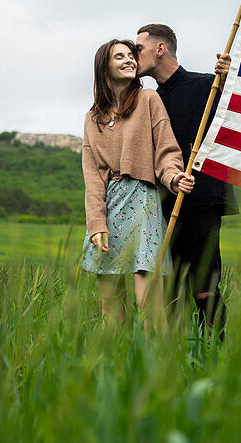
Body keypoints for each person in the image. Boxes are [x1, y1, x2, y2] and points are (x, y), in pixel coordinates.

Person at [81, 38, 195, 328]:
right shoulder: (92, 118)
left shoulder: (148, 100)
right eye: (120, 57)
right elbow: (92, 177)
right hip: (107, 206)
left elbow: (167, 150)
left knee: (148, 303)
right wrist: (96, 223)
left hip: (142, 202)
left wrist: (173, 176)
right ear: (104, 66)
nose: (129, 60)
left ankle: (154, 369)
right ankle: (115, 369)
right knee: (110, 308)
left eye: (131, 55)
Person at [134, 23, 237, 337]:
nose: (133, 55)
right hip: (160, 207)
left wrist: (230, 77)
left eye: (139, 48)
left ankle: (217, 356)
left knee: (205, 287)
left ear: (160, 48)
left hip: (201, 203)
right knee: (170, 293)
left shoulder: (208, 85)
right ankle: (177, 362)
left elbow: (238, 109)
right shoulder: (146, 99)